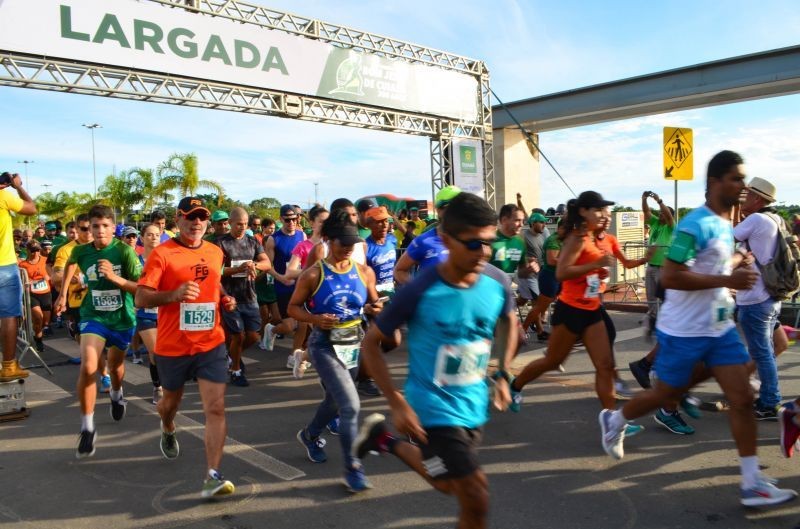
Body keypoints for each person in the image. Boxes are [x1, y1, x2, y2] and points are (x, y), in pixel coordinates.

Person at [598, 150, 797, 507]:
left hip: (718, 328)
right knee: (664, 396)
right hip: (684, 331)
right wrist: (728, 279)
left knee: (742, 398)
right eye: (736, 179)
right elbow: (671, 276)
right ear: (715, 182)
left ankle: (751, 483)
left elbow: (715, 262)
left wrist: (739, 259)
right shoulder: (694, 224)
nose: (742, 186)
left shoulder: (724, 222)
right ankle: (615, 420)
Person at [353, 192, 516, 529]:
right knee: (475, 495)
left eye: (488, 243)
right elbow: (371, 343)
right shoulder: (420, 289)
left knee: (447, 484)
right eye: (473, 244)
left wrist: (503, 372)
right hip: (432, 408)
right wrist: (395, 400)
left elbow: (509, 321)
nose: (483, 253)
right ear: (446, 239)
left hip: (472, 405)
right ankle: (387, 437)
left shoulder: (495, 283)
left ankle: (383, 440)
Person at [135, 196, 237, 498]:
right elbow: (141, 297)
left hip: (211, 343)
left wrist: (223, 298)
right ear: (178, 220)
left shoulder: (215, 252)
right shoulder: (162, 254)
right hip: (173, 346)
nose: (197, 223)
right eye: (191, 217)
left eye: (202, 217)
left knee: (215, 407)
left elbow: (213, 281)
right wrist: (174, 294)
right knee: (170, 404)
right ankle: (167, 426)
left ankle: (212, 476)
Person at [288, 211, 383, 492]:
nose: (349, 248)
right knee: (350, 405)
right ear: (329, 240)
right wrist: (315, 319)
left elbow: (374, 304)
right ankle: (353, 468)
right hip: (324, 345)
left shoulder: (364, 272)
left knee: (334, 401)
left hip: (352, 343)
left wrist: (374, 308)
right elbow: (292, 308)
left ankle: (310, 435)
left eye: (353, 243)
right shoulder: (313, 274)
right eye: (344, 243)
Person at [54, 204, 142, 458]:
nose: (100, 230)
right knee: (88, 366)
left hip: (121, 319)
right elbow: (71, 264)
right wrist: (62, 294)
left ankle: (116, 393)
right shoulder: (81, 251)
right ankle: (87, 427)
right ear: (90, 229)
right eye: (95, 226)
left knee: (115, 367)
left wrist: (114, 278)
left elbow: (141, 288)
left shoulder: (124, 251)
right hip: (93, 316)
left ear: (113, 228)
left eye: (105, 226)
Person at [732, 176, 784, 420]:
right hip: (772, 295)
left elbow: (728, 237)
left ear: (757, 198)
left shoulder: (755, 220)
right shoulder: (776, 219)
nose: (743, 197)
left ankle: (770, 402)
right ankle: (768, 398)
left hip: (755, 298)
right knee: (766, 352)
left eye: (747, 194)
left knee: (762, 354)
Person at [215, 207, 272, 387]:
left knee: (253, 336)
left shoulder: (252, 241)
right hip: (230, 297)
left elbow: (267, 263)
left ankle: (231, 356)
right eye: (239, 224)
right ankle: (236, 371)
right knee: (238, 335)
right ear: (230, 223)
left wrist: (254, 265)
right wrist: (238, 269)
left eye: (245, 224)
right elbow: (216, 271)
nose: (242, 227)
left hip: (249, 295)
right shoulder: (221, 243)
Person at [284, 205, 329, 378]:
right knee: (324, 337)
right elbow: (290, 272)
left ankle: (301, 356)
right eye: (321, 221)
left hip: (330, 299)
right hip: (310, 300)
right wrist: (312, 272)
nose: (325, 225)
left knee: (325, 339)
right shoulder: (303, 246)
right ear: (311, 223)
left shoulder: (334, 245)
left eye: (328, 221)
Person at [0, 172, 37, 381]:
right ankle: (8, 366)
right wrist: (17, 186)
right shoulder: (3, 196)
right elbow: (31, 208)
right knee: (8, 316)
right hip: (4, 265)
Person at [262, 205, 306, 359]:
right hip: (283, 287)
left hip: (299, 286)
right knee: (289, 326)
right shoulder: (273, 239)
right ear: (281, 219)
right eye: (287, 220)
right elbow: (267, 266)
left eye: (294, 219)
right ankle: (272, 330)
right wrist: (282, 278)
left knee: (303, 324)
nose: (291, 222)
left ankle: (294, 357)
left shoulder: (302, 235)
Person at [394, 186, 461, 285]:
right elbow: (399, 271)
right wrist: (419, 287)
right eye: (450, 206)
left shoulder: (474, 237)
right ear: (439, 210)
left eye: (461, 206)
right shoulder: (423, 241)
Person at [135, 224, 163, 404]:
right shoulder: (136, 261)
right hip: (145, 313)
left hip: (166, 312)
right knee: (155, 353)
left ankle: (168, 383)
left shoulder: (166, 259)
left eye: (157, 235)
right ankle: (158, 387)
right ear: (142, 238)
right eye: (150, 235)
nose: (153, 238)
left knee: (167, 353)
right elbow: (128, 283)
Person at [641, 190, 675, 336]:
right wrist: (644, 199)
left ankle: (667, 323)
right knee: (650, 297)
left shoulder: (670, 227)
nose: (660, 214)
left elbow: (668, 216)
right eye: (659, 213)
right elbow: (646, 212)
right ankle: (653, 321)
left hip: (662, 267)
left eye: (663, 213)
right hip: (651, 266)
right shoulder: (655, 223)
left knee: (664, 297)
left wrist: (659, 201)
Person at [518, 212, 550, 340]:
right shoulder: (523, 236)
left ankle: (506, 305)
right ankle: (538, 331)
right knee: (537, 303)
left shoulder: (542, 236)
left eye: (545, 222)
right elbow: (518, 255)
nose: (544, 225)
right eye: (541, 222)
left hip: (539, 274)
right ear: (533, 223)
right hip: (528, 275)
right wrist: (528, 259)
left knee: (523, 301)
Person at [18, 240, 51, 353]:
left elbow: (51, 274)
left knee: (45, 322)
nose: (35, 253)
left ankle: (37, 333)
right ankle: (39, 340)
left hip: (45, 293)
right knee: (38, 318)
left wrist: (48, 276)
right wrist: (27, 282)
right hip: (32, 294)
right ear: (27, 250)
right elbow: (22, 280)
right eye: (33, 251)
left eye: (37, 250)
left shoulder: (45, 260)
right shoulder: (23, 265)